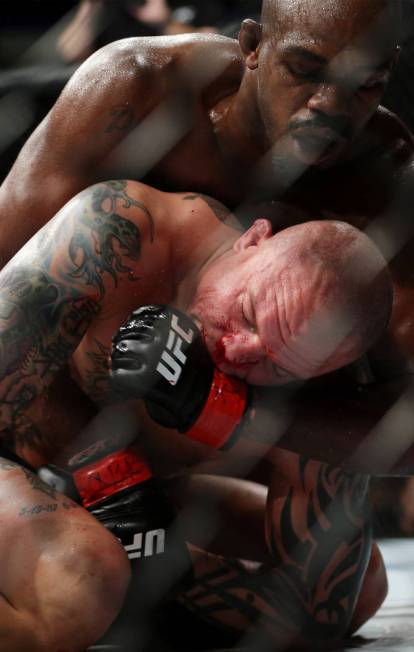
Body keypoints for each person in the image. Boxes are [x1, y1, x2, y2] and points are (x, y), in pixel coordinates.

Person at [1, 0, 414, 474]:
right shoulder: (139, 88)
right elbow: (9, 282)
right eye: (305, 70)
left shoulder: (401, 193)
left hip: (211, 458)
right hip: (57, 397)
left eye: (366, 82)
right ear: (252, 46)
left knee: (342, 532)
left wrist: (225, 408)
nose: (330, 103)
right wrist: (100, 470)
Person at [0, 180, 391, 650]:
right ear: (252, 240)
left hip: (138, 499)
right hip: (18, 457)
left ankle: (132, 579)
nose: (234, 352)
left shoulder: (319, 390)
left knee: (362, 586)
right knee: (83, 582)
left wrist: (162, 554)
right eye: (247, 313)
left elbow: (318, 613)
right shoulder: (119, 234)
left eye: (276, 364)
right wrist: (93, 463)